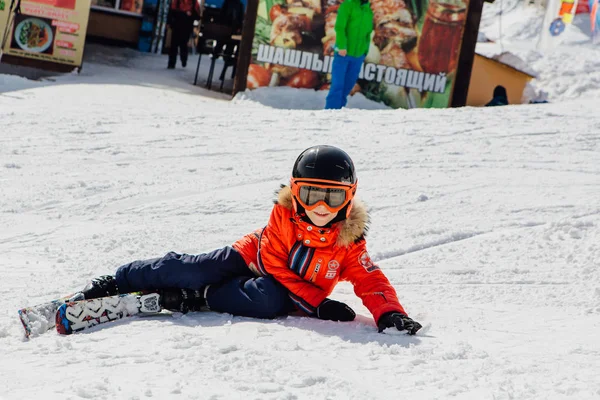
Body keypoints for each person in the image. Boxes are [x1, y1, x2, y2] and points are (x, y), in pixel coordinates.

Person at [80, 145, 422, 334]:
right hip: (252, 257)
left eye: (332, 198)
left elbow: (369, 279)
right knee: (198, 269)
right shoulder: (283, 218)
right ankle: (121, 278)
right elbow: (273, 265)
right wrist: (317, 303)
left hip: (281, 291)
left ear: (350, 196)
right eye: (310, 195)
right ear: (294, 192)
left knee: (270, 303)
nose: (320, 208)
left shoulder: (348, 243)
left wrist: (389, 313)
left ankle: (200, 297)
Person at [324, 0, 373, 110]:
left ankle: (339, 111)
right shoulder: (347, 6)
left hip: (358, 56)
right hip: (343, 54)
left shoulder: (368, 11)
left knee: (348, 87)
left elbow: (368, 33)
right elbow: (340, 27)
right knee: (337, 86)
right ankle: (330, 113)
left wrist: (365, 50)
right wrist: (342, 46)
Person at [167, 0, 200, 69]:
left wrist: (191, 14)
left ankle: (183, 60)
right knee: (174, 45)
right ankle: (171, 63)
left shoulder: (194, 2)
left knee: (183, 44)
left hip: (187, 27)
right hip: (177, 25)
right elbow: (171, 11)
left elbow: (197, 16)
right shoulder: (177, 1)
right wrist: (169, 22)